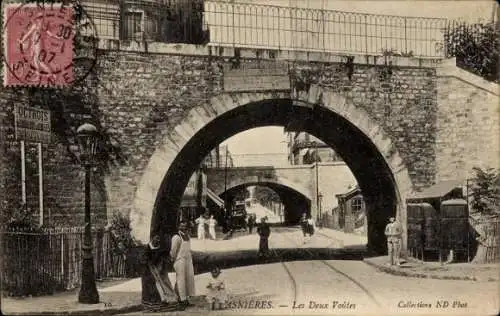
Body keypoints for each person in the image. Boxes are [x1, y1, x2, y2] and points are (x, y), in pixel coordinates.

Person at [141, 235, 178, 312]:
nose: (157, 241)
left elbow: (163, 259)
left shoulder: (159, 248)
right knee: (155, 285)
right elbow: (145, 261)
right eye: (156, 238)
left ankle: (168, 299)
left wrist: (161, 266)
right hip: (149, 271)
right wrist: (150, 265)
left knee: (165, 282)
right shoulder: (147, 248)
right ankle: (156, 303)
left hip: (159, 269)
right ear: (152, 239)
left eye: (159, 239)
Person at [170, 222, 196, 308]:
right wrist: (173, 260)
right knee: (181, 280)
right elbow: (173, 251)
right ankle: (182, 300)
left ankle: (184, 298)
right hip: (180, 260)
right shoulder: (176, 237)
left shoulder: (187, 236)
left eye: (185, 226)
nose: (183, 227)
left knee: (188, 279)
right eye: (181, 225)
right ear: (178, 226)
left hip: (188, 260)